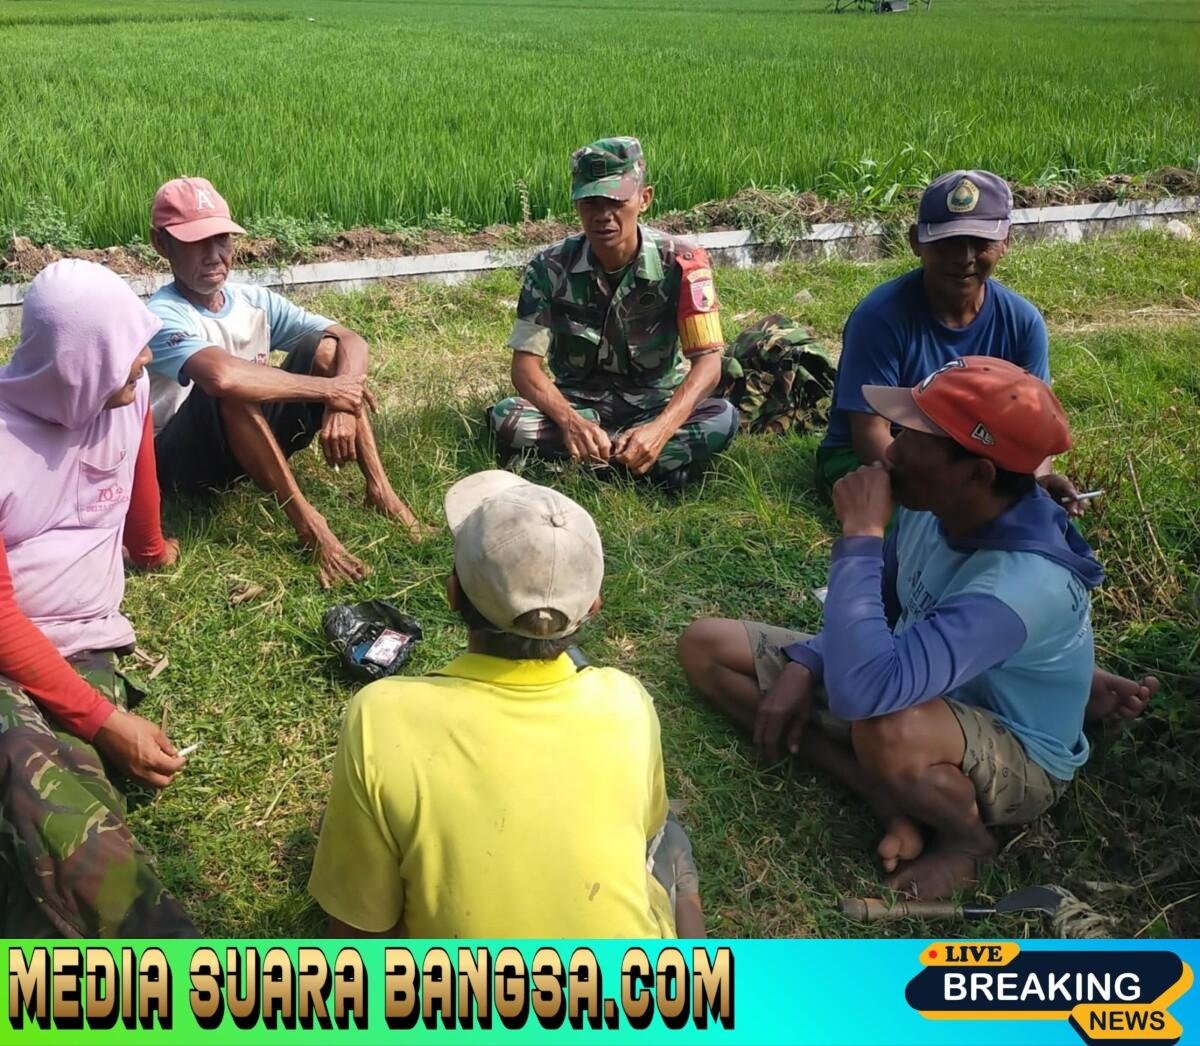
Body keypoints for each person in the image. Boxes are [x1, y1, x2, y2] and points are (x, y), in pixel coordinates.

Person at [679, 358, 1110, 900]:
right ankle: (885, 797)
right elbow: (883, 602)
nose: (891, 450)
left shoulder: (1022, 584)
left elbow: (866, 693)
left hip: (1016, 753)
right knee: (706, 648)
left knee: (884, 726)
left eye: (913, 438)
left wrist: (860, 532)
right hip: (912, 685)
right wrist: (807, 660)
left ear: (977, 474)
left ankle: (968, 841)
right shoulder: (936, 505)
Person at [815, 169, 1155, 719]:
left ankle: (1051, 670)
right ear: (917, 243)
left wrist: (1041, 476)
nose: (965, 256)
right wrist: (893, 495)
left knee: (998, 538)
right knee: (933, 531)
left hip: (961, 466)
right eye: (949, 241)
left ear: (1005, 241)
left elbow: (1027, 426)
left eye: (980, 241)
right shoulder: (883, 315)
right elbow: (872, 434)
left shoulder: (1022, 321)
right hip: (892, 453)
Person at [309, 470, 704, 937]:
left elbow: (355, 932)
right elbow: (644, 828)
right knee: (670, 839)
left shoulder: (380, 717)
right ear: (593, 606)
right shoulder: (627, 702)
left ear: (452, 593)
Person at [0, 260, 195, 936]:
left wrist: (150, 549)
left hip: (85, 643)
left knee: (79, 784)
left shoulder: (129, 393)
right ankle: (168, 953)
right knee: (24, 766)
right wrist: (108, 722)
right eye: (125, 358)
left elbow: (135, 476)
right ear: (77, 370)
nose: (145, 361)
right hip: (7, 650)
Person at [145, 176, 426, 588]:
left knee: (327, 351)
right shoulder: (161, 314)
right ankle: (310, 526)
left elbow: (350, 339)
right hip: (183, 461)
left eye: (221, 239)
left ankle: (381, 491)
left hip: (246, 444)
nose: (213, 255)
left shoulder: (252, 300)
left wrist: (341, 401)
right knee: (232, 390)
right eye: (195, 242)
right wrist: (331, 391)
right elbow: (223, 377)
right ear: (161, 244)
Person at [488, 137, 739, 489]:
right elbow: (525, 368)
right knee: (507, 417)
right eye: (591, 201)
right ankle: (647, 470)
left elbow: (709, 364)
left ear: (644, 199)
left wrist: (660, 430)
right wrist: (571, 423)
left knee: (722, 417)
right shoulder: (549, 267)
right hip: (578, 405)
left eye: (616, 201)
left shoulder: (683, 262)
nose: (603, 215)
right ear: (576, 205)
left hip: (654, 405)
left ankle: (589, 464)